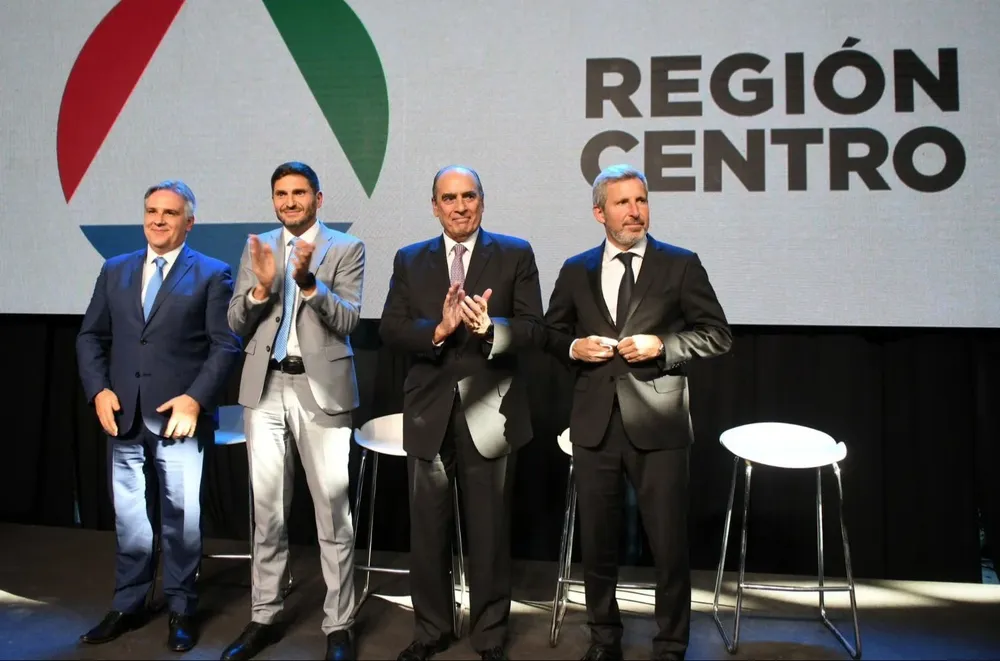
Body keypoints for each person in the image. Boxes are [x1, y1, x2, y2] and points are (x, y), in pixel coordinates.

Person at [543, 164, 733, 661]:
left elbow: (717, 333)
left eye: (641, 201)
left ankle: (670, 645)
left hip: (659, 424)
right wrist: (574, 348)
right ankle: (604, 639)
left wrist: (663, 345)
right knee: (598, 544)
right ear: (598, 212)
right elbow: (550, 335)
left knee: (668, 547)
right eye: (623, 203)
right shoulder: (575, 269)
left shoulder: (681, 264)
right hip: (594, 423)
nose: (635, 211)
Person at [380, 166, 544, 661]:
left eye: (468, 196)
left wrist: (492, 329)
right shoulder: (410, 260)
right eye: (448, 198)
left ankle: (489, 635)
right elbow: (391, 329)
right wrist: (439, 329)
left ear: (482, 202)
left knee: (489, 531)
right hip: (429, 410)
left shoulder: (514, 253)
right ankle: (431, 631)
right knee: (427, 531)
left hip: (490, 412)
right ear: (434, 206)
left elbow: (535, 329)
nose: (459, 206)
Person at [76, 180, 241, 652]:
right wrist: (99, 391)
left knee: (181, 519)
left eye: (169, 213)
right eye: (151, 210)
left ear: (189, 222)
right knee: (130, 518)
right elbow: (90, 337)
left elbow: (225, 344)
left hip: (179, 419)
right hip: (122, 416)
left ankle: (181, 607)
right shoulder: (115, 270)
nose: (158, 220)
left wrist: (195, 399)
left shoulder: (212, 273)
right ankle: (128, 604)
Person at [222, 161, 365, 661]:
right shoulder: (256, 247)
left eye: (299, 193)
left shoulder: (346, 248)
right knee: (268, 512)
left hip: (320, 388)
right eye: (281, 194)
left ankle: (340, 624)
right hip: (264, 388)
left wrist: (306, 283)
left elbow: (348, 320)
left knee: (332, 512)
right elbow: (236, 320)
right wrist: (263, 289)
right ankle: (264, 616)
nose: (289, 202)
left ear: (318, 199)